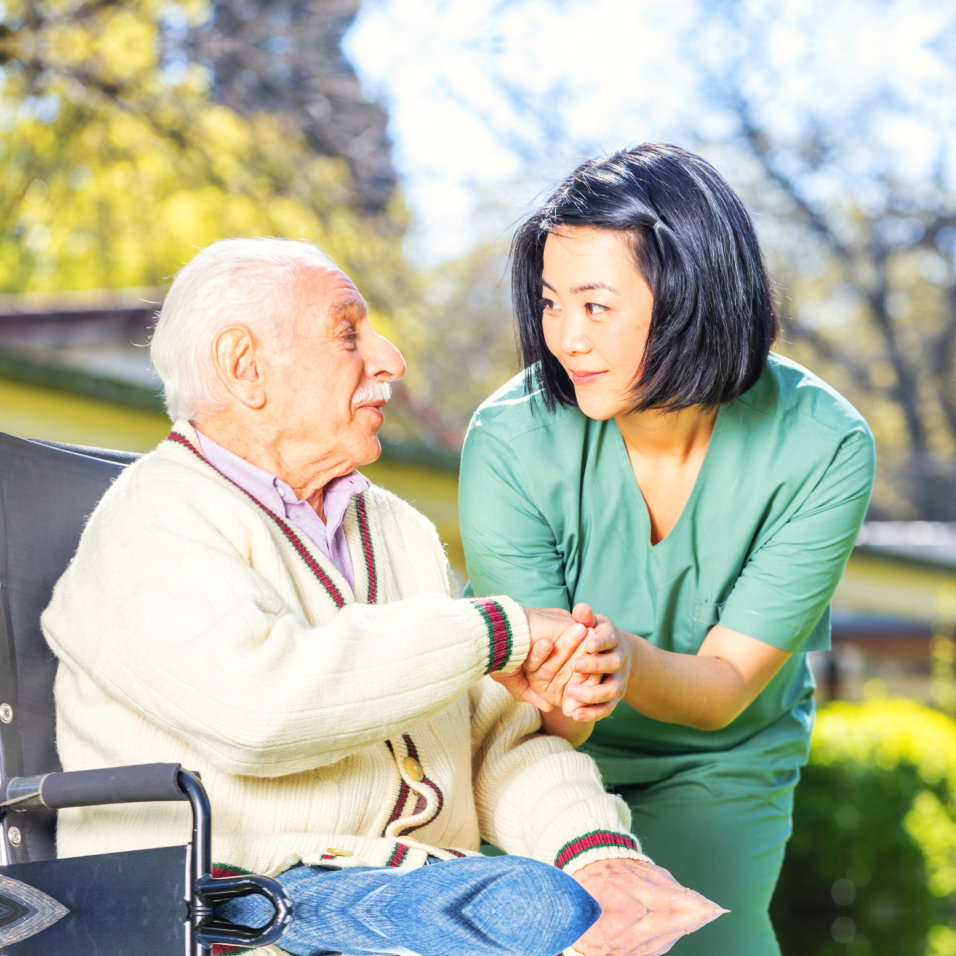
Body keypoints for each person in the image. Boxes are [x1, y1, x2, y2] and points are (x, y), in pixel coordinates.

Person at [41, 237, 722, 956]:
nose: (390, 359)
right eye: (349, 333)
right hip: (224, 903)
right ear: (245, 368)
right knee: (532, 911)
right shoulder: (152, 520)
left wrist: (600, 854)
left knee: (646, 911)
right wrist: (497, 633)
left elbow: (495, 745)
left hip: (404, 894)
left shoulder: (395, 528)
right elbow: (262, 709)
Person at [459, 143, 876, 955]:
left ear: (690, 296)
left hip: (723, 758)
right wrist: (567, 699)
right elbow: (528, 704)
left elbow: (724, 687)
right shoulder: (511, 438)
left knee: (703, 938)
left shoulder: (824, 444)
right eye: (549, 303)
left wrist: (622, 664)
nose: (564, 338)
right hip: (544, 755)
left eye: (596, 306)